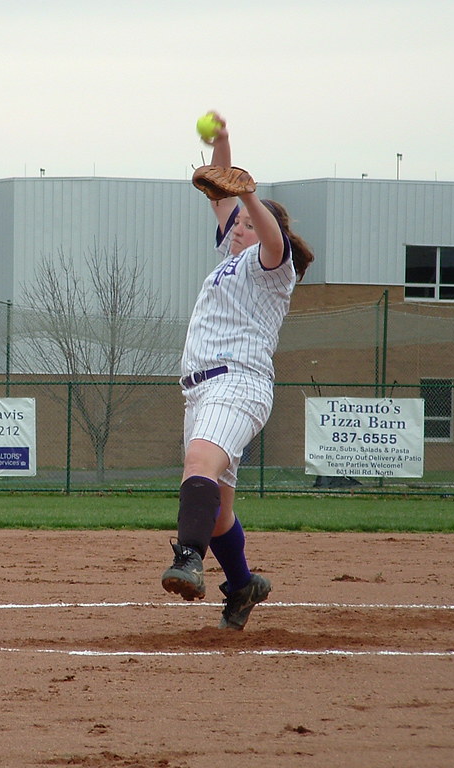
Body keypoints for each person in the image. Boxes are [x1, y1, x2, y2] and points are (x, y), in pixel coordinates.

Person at [160, 112, 314, 630]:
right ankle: (243, 583)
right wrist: (222, 143)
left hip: (238, 382)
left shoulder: (274, 266)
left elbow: (268, 235)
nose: (239, 228)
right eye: (239, 225)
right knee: (220, 510)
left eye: (248, 223)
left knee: (199, 460)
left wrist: (253, 196)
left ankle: (188, 559)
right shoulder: (232, 255)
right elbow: (220, 194)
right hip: (201, 392)